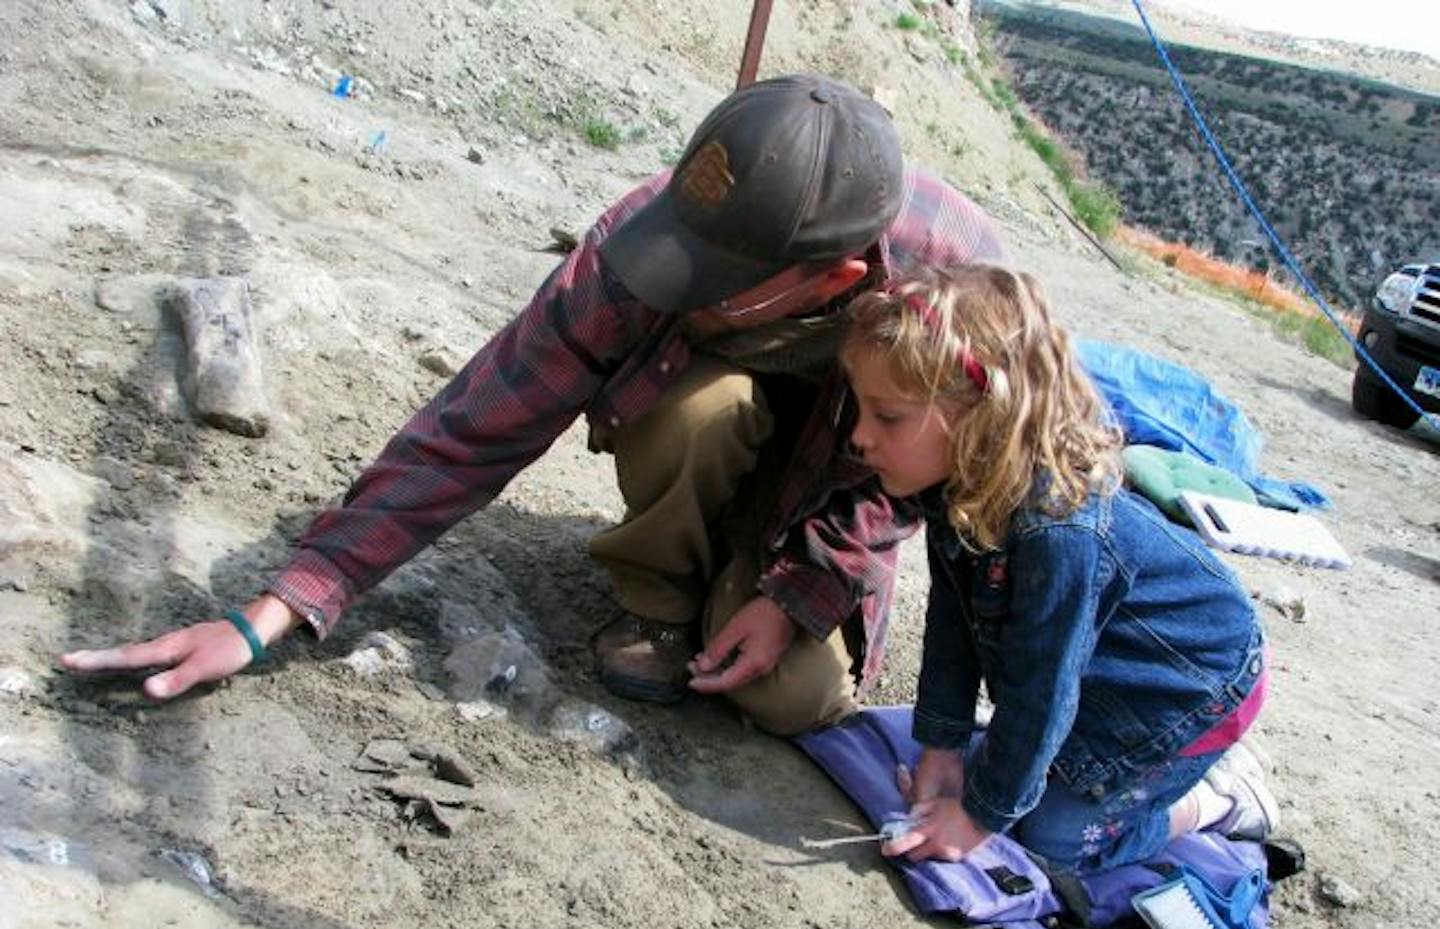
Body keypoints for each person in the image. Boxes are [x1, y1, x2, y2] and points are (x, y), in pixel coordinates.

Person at [61, 73, 1006, 736]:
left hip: (828, 500)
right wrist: (271, 612)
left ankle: (743, 589)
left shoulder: (958, 282)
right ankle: (659, 598)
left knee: (791, 702)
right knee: (701, 409)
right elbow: (480, 424)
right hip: (710, 443)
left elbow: (920, 481)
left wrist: (804, 588)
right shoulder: (664, 234)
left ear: (835, 277)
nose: (683, 284)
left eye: (717, 282)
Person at [839, 264, 1279, 873]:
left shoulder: (1059, 534)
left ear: (980, 413)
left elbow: (1045, 690)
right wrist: (941, 745)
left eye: (886, 416)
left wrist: (977, 818)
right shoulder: (957, 489)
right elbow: (953, 619)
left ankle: (1221, 798)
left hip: (1190, 689)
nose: (859, 435)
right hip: (1099, 664)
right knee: (1011, 770)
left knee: (1052, 837)